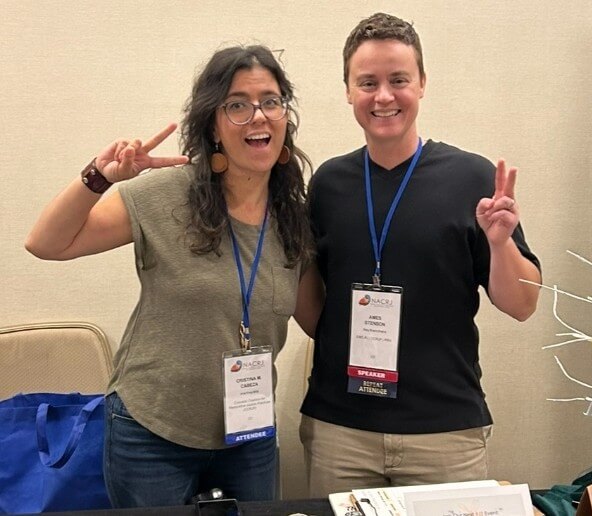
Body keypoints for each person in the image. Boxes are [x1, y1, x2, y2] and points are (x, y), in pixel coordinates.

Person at [25, 45, 322, 507]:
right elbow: (46, 243)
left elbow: (317, 320)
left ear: (285, 115)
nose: (258, 116)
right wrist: (99, 177)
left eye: (270, 100)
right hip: (151, 433)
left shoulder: (293, 218)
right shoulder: (165, 197)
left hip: (248, 436)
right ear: (213, 125)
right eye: (237, 105)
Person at [299, 13, 541, 496]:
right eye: (367, 82)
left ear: (422, 84)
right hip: (341, 430)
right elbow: (313, 306)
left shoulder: (471, 179)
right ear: (348, 90)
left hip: (445, 431)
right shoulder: (327, 184)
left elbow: (522, 305)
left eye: (398, 80)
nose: (383, 96)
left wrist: (499, 244)